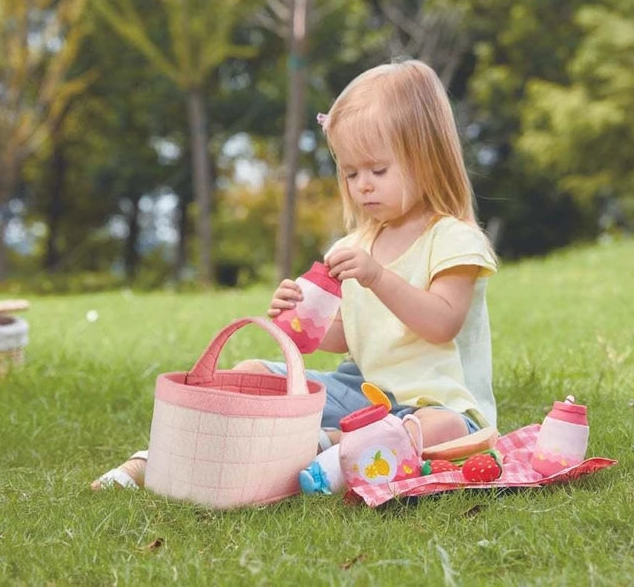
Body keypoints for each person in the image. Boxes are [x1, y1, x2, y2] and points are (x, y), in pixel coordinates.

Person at [92, 59, 497, 490]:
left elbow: (441, 323)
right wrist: (300, 317)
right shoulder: (352, 246)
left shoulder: (453, 239)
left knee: (444, 431)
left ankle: (319, 447)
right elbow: (343, 337)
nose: (362, 185)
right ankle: (169, 458)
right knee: (252, 372)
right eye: (350, 172)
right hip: (363, 390)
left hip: (437, 402)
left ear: (427, 159)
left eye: (378, 170)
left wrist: (378, 278)